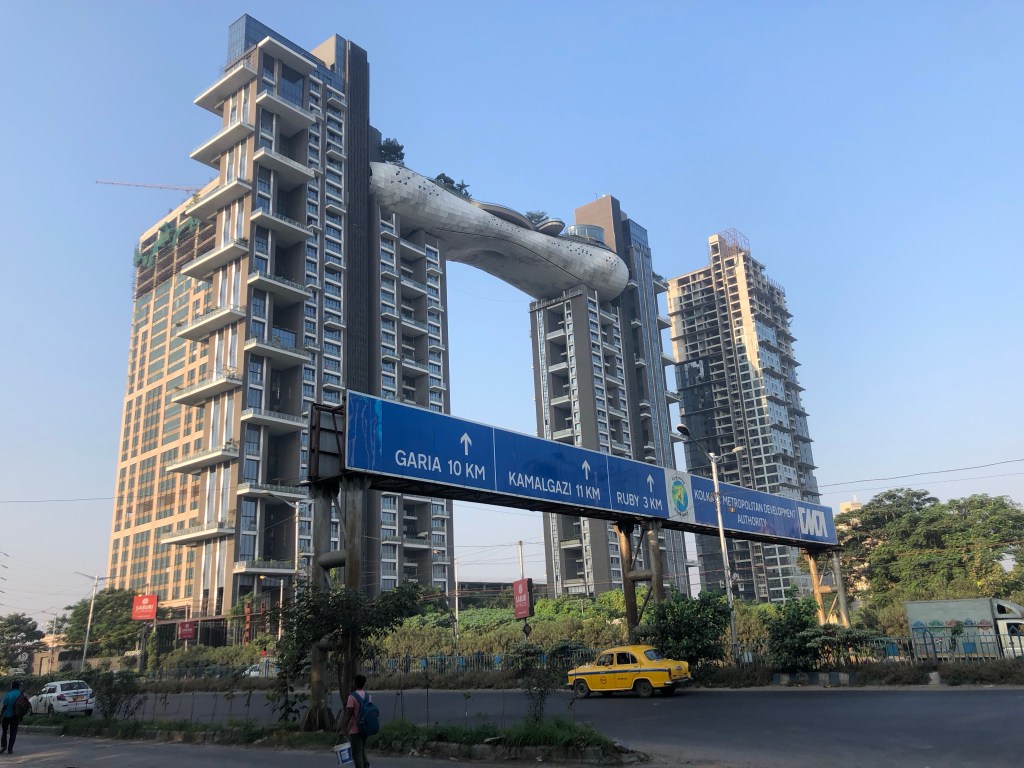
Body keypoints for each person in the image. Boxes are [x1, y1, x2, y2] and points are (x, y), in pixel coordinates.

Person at [338, 674, 371, 768]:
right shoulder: (368, 696)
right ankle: (365, 763)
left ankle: (362, 765)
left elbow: (349, 715)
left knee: (356, 753)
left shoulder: (352, 697)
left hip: (355, 729)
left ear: (354, 683)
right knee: (362, 748)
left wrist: (343, 729)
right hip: (366, 727)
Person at [0, 680, 24, 755]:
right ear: (19, 687)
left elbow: (4, 706)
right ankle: (10, 749)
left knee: (4, 731)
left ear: (12, 686)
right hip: (16, 716)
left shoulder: (8, 694)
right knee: (13, 733)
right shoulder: (21, 694)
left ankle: (4, 746)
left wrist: (1, 716)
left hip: (7, 715)